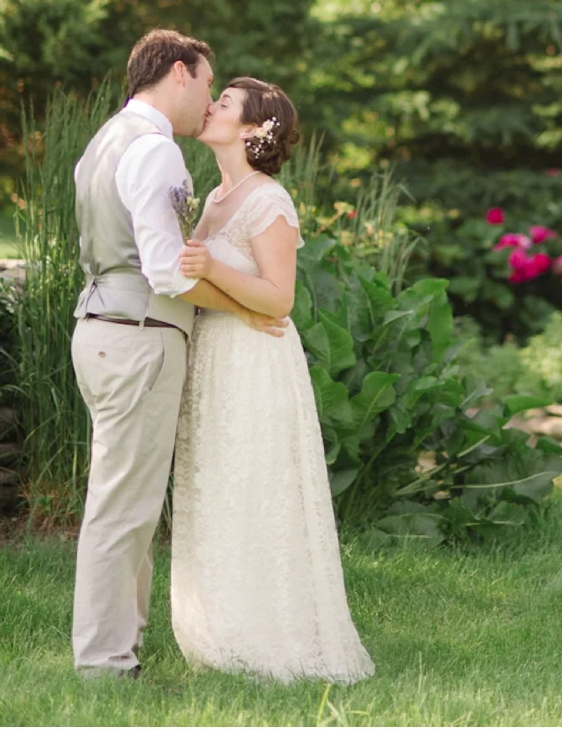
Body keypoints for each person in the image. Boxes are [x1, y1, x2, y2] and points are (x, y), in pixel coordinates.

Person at [70, 30, 286, 678]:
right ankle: (105, 664)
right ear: (180, 73)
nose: (211, 102)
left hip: (102, 328)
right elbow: (166, 272)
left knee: (122, 501)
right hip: (139, 335)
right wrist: (247, 309)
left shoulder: (104, 142)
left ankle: (119, 649)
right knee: (123, 509)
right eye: (209, 86)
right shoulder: (156, 151)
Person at [170, 76, 374, 683]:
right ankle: (220, 631)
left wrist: (210, 265)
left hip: (255, 361)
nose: (211, 107)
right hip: (213, 355)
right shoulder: (213, 198)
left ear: (257, 129)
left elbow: (279, 298)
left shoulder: (269, 201)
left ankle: (269, 638)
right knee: (216, 485)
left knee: (254, 486)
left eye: (225, 104)